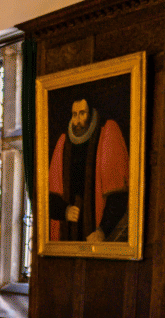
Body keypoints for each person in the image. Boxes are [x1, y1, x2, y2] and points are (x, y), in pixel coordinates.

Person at [48, 96, 129, 242]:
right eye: (74, 115)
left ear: (91, 114)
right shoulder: (63, 143)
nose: (77, 120)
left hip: (97, 231)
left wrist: (102, 231)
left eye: (82, 113)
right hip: (69, 234)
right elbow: (50, 197)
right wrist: (64, 211)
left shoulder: (106, 134)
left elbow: (118, 196)